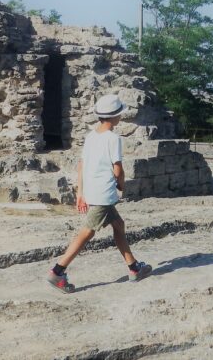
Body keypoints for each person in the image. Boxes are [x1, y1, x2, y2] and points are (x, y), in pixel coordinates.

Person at [46, 94, 152, 293]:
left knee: (118, 226)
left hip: (93, 191)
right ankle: (57, 271)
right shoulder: (113, 138)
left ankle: (133, 267)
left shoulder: (91, 136)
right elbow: (118, 169)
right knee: (87, 232)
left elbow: (82, 165)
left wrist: (80, 193)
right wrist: (121, 185)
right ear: (115, 117)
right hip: (104, 193)